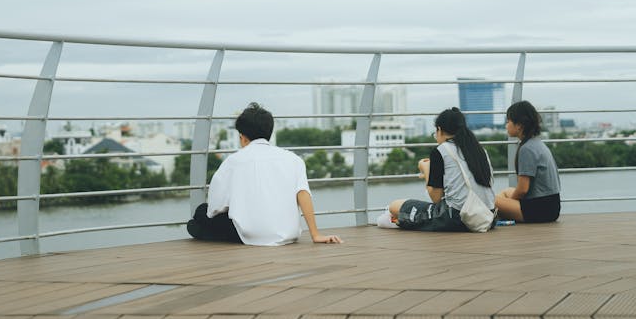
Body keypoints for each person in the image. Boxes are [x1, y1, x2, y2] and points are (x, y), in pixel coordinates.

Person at [186, 102, 343, 245]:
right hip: (288, 234)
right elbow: (303, 194)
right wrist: (315, 235)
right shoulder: (293, 159)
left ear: (242, 136)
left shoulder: (233, 161)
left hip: (250, 235)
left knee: (199, 215)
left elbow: (214, 208)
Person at [382, 107, 496, 232]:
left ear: (439, 130)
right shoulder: (480, 150)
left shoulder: (440, 151)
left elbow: (436, 198)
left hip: (457, 218)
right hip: (488, 216)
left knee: (394, 206)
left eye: (435, 133)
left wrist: (426, 169)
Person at [495, 100, 561, 223]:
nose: (506, 125)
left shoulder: (527, 149)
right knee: (505, 192)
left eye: (508, 121)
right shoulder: (537, 143)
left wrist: (511, 202)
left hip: (539, 210)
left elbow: (523, 189)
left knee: (490, 200)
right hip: (551, 206)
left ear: (519, 125)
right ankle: (502, 215)